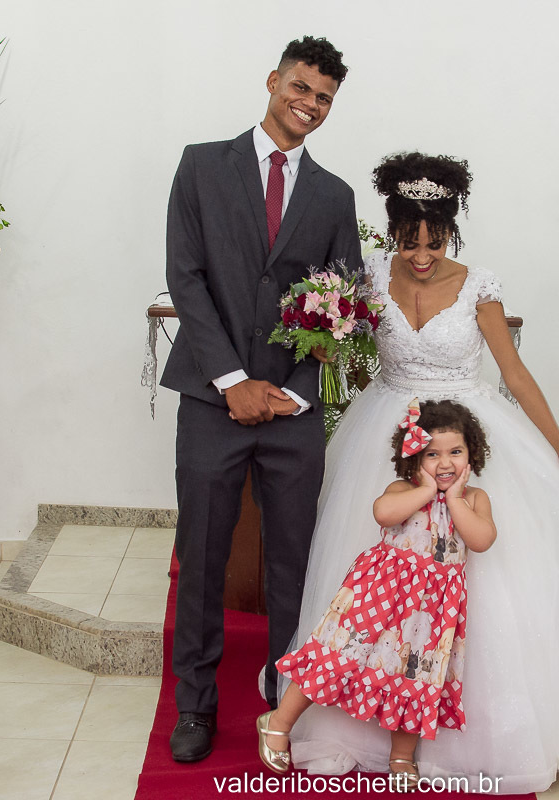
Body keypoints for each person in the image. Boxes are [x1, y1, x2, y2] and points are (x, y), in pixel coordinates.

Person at [276, 152, 559, 793]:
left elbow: (515, 375)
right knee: (370, 587)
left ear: (451, 231)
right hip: (387, 434)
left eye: (435, 241)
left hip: (466, 432)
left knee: (487, 583)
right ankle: (344, 724)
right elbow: (345, 357)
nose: (421, 254)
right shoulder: (363, 280)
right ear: (392, 231)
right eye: (409, 241)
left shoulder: (478, 286)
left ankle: (466, 737)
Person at [159, 36, 362, 763]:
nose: (309, 105)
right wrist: (231, 381)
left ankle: (284, 697)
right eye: (301, 88)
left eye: (324, 99)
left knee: (293, 562)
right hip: (213, 402)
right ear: (274, 81)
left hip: (292, 412)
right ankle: (196, 705)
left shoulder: (335, 196)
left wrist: (296, 395)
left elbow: (347, 305)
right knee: (203, 555)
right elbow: (187, 279)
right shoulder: (201, 166)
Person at [259, 399, 497, 790]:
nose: (444, 464)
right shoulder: (404, 489)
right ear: (413, 458)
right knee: (337, 654)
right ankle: (278, 722)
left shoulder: (474, 499)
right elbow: (383, 514)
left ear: (472, 453)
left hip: (431, 611)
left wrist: (453, 498)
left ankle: (402, 755)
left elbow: (482, 539)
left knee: (415, 676)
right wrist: (425, 490)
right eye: (431, 454)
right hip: (379, 592)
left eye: (455, 452)